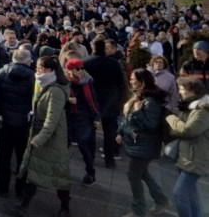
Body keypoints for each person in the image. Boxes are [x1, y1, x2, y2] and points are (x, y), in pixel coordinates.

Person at [15, 56, 71, 217]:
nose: (36, 71)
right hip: (39, 132)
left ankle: (65, 206)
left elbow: (52, 119)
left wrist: (40, 138)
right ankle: (25, 201)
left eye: (39, 68)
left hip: (52, 138)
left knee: (57, 172)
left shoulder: (55, 91)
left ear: (48, 70)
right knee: (34, 169)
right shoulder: (44, 84)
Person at [117, 69, 170, 217]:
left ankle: (138, 210)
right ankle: (161, 200)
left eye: (134, 79)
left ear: (142, 82)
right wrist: (121, 131)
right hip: (139, 144)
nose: (131, 81)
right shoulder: (139, 96)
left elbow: (151, 125)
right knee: (143, 173)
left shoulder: (151, 101)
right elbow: (129, 119)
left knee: (133, 175)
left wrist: (138, 112)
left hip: (145, 146)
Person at [0, 48, 35, 198]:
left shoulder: (1, 74)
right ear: (28, 61)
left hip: (5, 122)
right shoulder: (33, 77)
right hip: (24, 123)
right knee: (22, 157)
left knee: (4, 155)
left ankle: (2, 187)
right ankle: (20, 188)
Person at [165, 77, 209, 217]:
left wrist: (170, 118)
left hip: (197, 158)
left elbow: (187, 131)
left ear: (193, 92)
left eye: (183, 90)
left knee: (180, 193)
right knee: (190, 193)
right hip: (187, 156)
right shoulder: (188, 106)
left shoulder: (203, 110)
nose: (180, 93)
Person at [83, 38, 126, 168]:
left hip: (90, 100)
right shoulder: (114, 63)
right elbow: (121, 82)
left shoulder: (86, 62)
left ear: (93, 48)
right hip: (110, 100)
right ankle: (110, 159)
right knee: (109, 132)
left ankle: (90, 157)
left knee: (90, 130)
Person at [64, 58, 100, 186]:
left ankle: (91, 174)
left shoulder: (86, 82)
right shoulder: (65, 83)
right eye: (77, 69)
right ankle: (60, 171)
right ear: (70, 70)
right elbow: (59, 98)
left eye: (81, 68)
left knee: (84, 147)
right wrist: (67, 99)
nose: (80, 71)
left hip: (83, 118)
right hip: (68, 118)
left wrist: (96, 117)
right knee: (64, 146)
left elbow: (93, 99)